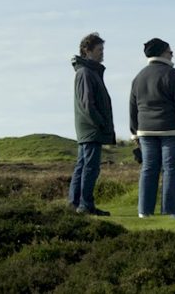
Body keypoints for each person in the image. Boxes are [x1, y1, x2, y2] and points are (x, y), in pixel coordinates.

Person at [130, 38, 175, 219]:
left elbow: (133, 106)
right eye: (170, 51)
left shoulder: (139, 76)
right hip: (171, 130)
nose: (172, 54)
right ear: (162, 53)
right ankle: (172, 210)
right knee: (170, 169)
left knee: (148, 168)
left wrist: (134, 131)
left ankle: (144, 211)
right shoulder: (172, 74)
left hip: (145, 130)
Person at [69, 32, 114, 216]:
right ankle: (85, 205)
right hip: (91, 129)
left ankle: (77, 204)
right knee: (90, 167)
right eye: (99, 49)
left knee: (83, 165)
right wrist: (101, 123)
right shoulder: (86, 73)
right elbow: (88, 104)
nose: (102, 53)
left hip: (89, 128)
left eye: (103, 49)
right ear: (87, 51)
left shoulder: (89, 72)